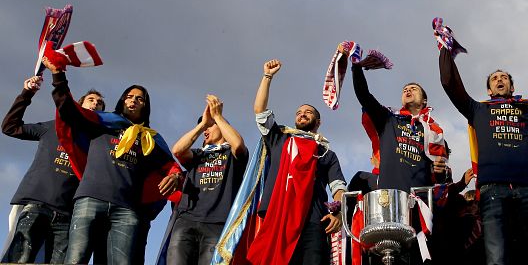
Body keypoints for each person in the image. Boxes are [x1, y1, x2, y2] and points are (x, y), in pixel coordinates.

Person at [438, 20, 528, 264]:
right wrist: (444, 49)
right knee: (496, 258)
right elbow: (450, 84)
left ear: (512, 86)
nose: (500, 80)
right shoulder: (477, 110)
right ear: (490, 90)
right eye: (495, 78)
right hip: (492, 192)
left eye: (504, 78)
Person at [43, 59, 182, 264]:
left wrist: (176, 176)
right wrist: (58, 75)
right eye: (129, 96)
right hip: (89, 199)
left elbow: (171, 166)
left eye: (139, 99)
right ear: (122, 101)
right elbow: (69, 110)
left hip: (126, 209)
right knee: (75, 260)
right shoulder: (100, 121)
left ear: (145, 106)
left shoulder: (150, 138)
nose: (133, 100)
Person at [245, 59, 347, 265]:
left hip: (313, 221)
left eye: (308, 112)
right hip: (278, 216)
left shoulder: (325, 152)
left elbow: (338, 188)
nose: (302, 114)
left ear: (318, 122)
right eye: (299, 112)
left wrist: (339, 213)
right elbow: (259, 110)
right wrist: (267, 76)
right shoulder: (280, 138)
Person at [1, 76, 103, 264]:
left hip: (68, 214)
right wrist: (27, 93)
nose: (96, 104)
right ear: (78, 104)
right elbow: (9, 127)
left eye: (100, 103)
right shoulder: (51, 127)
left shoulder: (98, 141)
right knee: (20, 260)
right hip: (37, 205)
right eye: (91, 100)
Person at [164, 94, 247, 265]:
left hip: (218, 224)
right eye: (205, 128)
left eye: (210, 126)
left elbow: (238, 145)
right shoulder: (197, 154)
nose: (206, 131)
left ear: (223, 128)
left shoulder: (232, 155)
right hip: (186, 220)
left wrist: (217, 117)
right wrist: (203, 124)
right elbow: (178, 150)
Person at [352, 52, 448, 192]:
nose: (408, 90)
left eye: (413, 89)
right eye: (405, 90)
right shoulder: (388, 119)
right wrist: (356, 67)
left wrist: (440, 172)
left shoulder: (433, 132)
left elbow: (441, 176)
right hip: (389, 199)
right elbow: (364, 95)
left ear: (424, 101)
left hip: (420, 201)